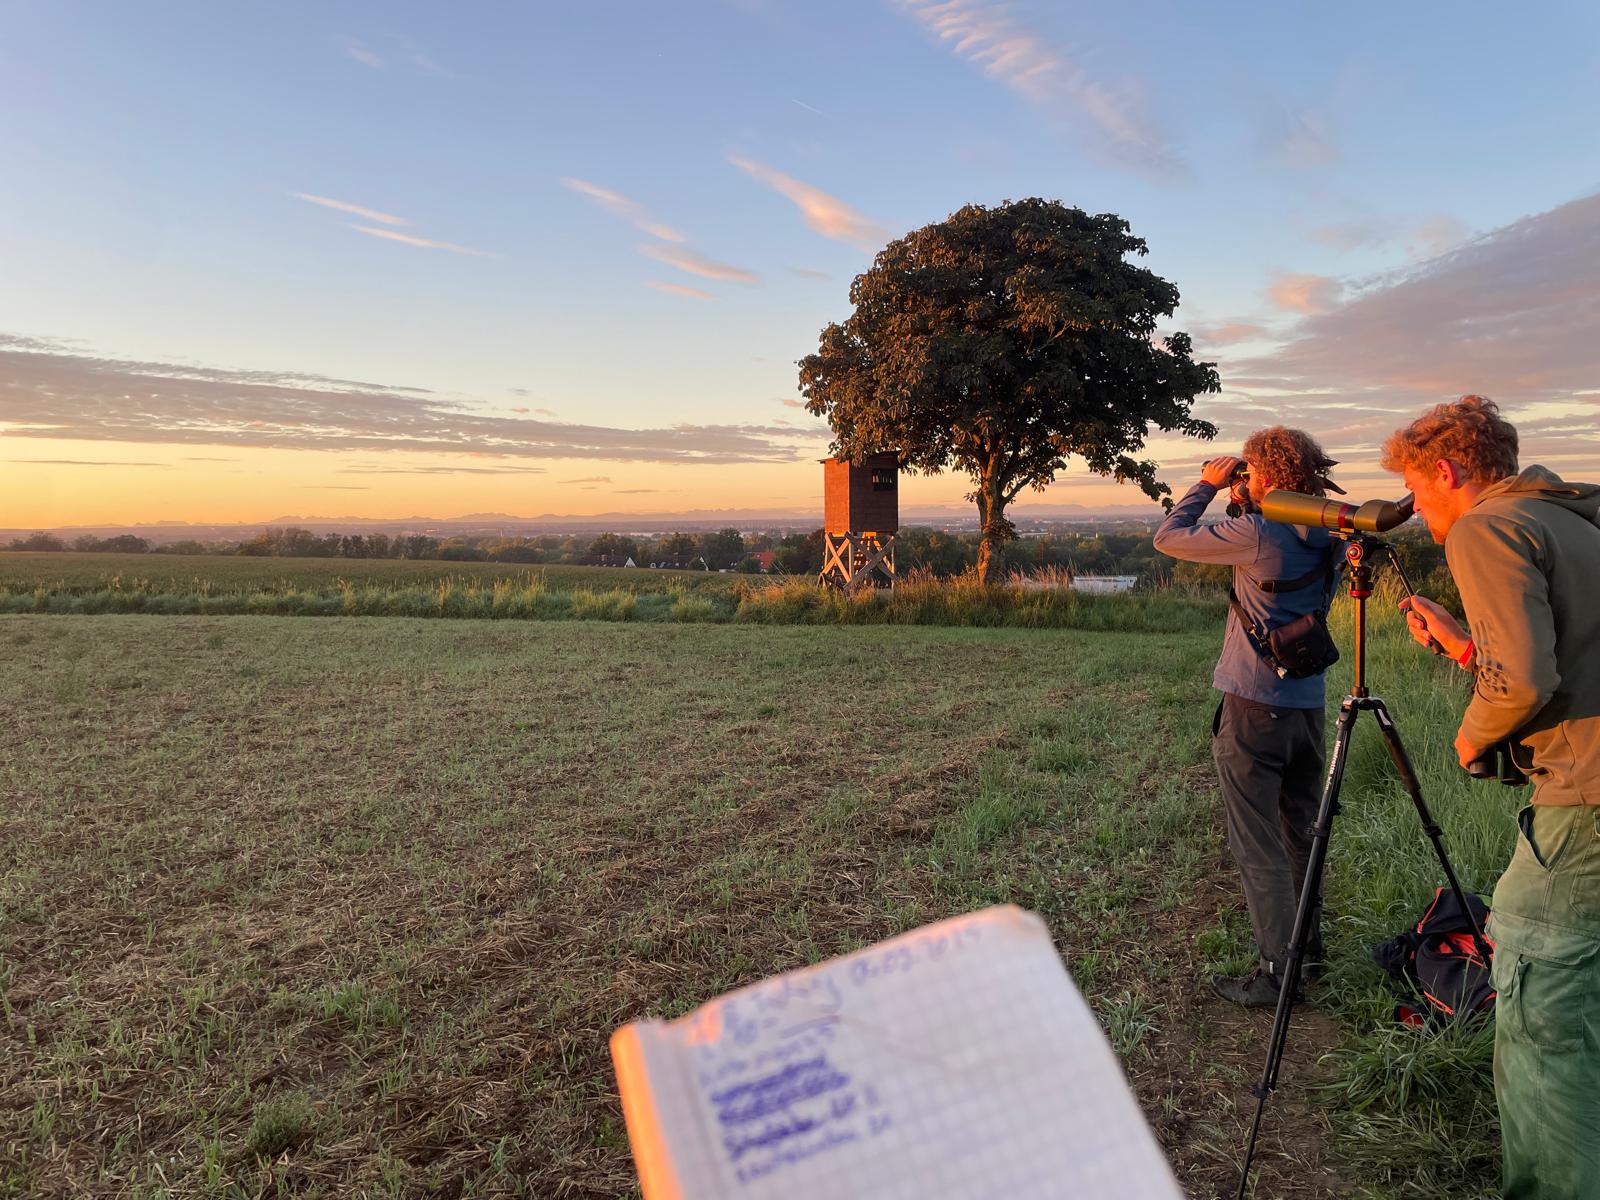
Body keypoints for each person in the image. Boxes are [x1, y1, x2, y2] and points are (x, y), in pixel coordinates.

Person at [1381, 395, 1600, 1200]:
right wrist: (1468, 647)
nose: (1419, 514)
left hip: (1581, 812)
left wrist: (1472, 737)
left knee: (1548, 1027)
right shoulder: (1572, 520)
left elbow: (1528, 681)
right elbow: (1567, 655)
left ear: (1445, 470)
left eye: (1418, 492)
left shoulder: (1487, 526)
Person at [1154, 428, 1341, 1006]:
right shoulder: (1333, 532)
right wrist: (1249, 500)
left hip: (1255, 702)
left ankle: (1275, 975)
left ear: (1268, 475)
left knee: (1256, 842)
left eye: (1250, 472)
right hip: (1308, 703)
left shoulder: (1258, 533)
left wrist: (1206, 486)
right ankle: (1307, 957)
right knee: (1301, 833)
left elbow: (1169, 538)